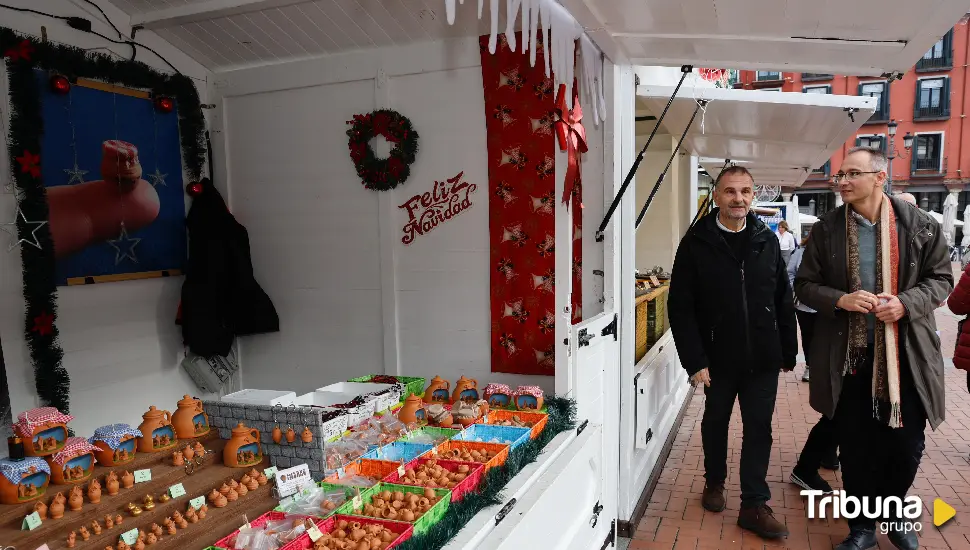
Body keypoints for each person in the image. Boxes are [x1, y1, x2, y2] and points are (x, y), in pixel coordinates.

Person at [794, 146, 951, 550]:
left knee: (906, 443)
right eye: (840, 175)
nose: (842, 181)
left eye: (851, 174)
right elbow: (804, 284)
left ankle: (895, 514)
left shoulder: (919, 224)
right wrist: (840, 299)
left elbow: (941, 280)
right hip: (850, 355)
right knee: (856, 445)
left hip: (907, 355)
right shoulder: (828, 228)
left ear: (880, 177)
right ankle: (862, 527)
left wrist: (906, 303)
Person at [668, 165, 797, 540]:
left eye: (745, 191)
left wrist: (788, 350)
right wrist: (694, 361)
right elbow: (681, 307)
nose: (738, 199)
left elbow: (782, 298)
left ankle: (754, 504)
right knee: (715, 423)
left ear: (753, 195)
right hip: (716, 360)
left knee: (759, 429)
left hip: (762, 359)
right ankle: (714, 481)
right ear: (716, 195)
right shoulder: (696, 242)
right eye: (730, 192)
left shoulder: (766, 239)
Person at [787, 230, 841, 493]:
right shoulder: (808, 252)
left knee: (840, 410)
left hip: (827, 318)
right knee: (839, 409)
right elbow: (797, 280)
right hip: (812, 312)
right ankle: (809, 466)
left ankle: (826, 455)